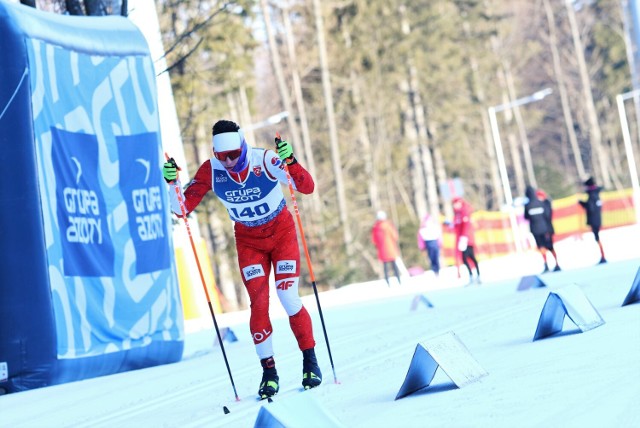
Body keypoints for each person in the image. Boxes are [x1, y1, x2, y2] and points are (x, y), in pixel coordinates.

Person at [162, 120, 321, 399]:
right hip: (249, 242)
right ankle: (269, 372)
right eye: (221, 156)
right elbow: (182, 209)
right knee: (258, 305)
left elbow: (306, 187)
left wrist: (291, 161)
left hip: (281, 234)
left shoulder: (266, 160)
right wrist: (171, 183)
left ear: (243, 146)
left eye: (234, 154)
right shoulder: (212, 170)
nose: (229, 161)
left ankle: (310, 361)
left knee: (288, 297)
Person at [524, 186, 561, 273]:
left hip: (536, 230)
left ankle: (547, 264)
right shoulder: (542, 203)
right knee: (549, 247)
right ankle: (556, 264)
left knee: (541, 247)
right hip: (545, 229)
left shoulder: (527, 206)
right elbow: (547, 215)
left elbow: (526, 217)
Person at [452, 197, 480, 284]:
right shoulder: (457, 214)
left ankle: (478, 275)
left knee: (471, 257)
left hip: (467, 239)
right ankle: (471, 275)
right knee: (464, 258)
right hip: (461, 239)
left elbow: (467, 226)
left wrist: (464, 237)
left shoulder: (464, 212)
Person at [579, 176, 607, 264]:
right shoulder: (597, 194)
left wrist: (581, 203)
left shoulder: (591, 195)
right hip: (598, 218)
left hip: (594, 219)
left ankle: (603, 255)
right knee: (597, 237)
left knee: (597, 237)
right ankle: (602, 255)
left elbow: (590, 208)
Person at [371, 210, 402, 286]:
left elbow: (374, 240)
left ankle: (387, 281)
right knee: (394, 264)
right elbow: (395, 236)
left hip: (382, 249)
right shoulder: (388, 225)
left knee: (385, 266)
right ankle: (398, 279)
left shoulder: (375, 227)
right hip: (390, 247)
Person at [416, 212, 442, 276]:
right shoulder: (422, 229)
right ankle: (435, 270)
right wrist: (422, 247)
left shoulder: (434, 226)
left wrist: (440, 243)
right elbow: (420, 239)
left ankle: (437, 269)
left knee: (436, 257)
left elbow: (438, 236)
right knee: (432, 258)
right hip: (428, 244)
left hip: (434, 243)